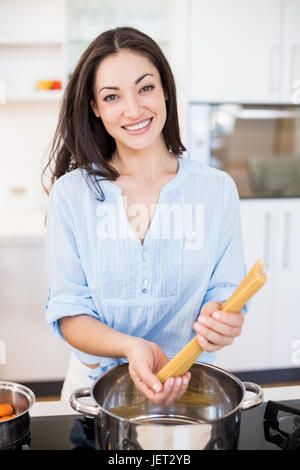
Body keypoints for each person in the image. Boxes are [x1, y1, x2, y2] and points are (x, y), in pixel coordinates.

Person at [43, 26, 247, 405]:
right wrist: (130, 347)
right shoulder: (71, 195)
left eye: (145, 87)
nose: (134, 109)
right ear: (95, 107)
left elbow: (225, 291)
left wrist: (220, 317)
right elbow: (69, 312)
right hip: (95, 392)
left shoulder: (217, 190)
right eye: (112, 96)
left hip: (189, 387)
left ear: (165, 89)